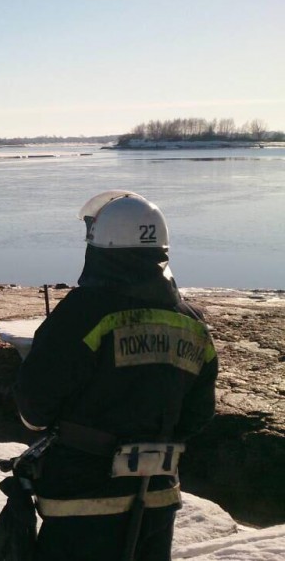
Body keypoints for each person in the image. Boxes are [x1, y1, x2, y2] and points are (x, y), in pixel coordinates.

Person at [12, 191, 218, 560]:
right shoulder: (192, 322)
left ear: (99, 248)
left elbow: (34, 411)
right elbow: (198, 415)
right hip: (156, 497)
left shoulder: (82, 314)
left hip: (79, 504)